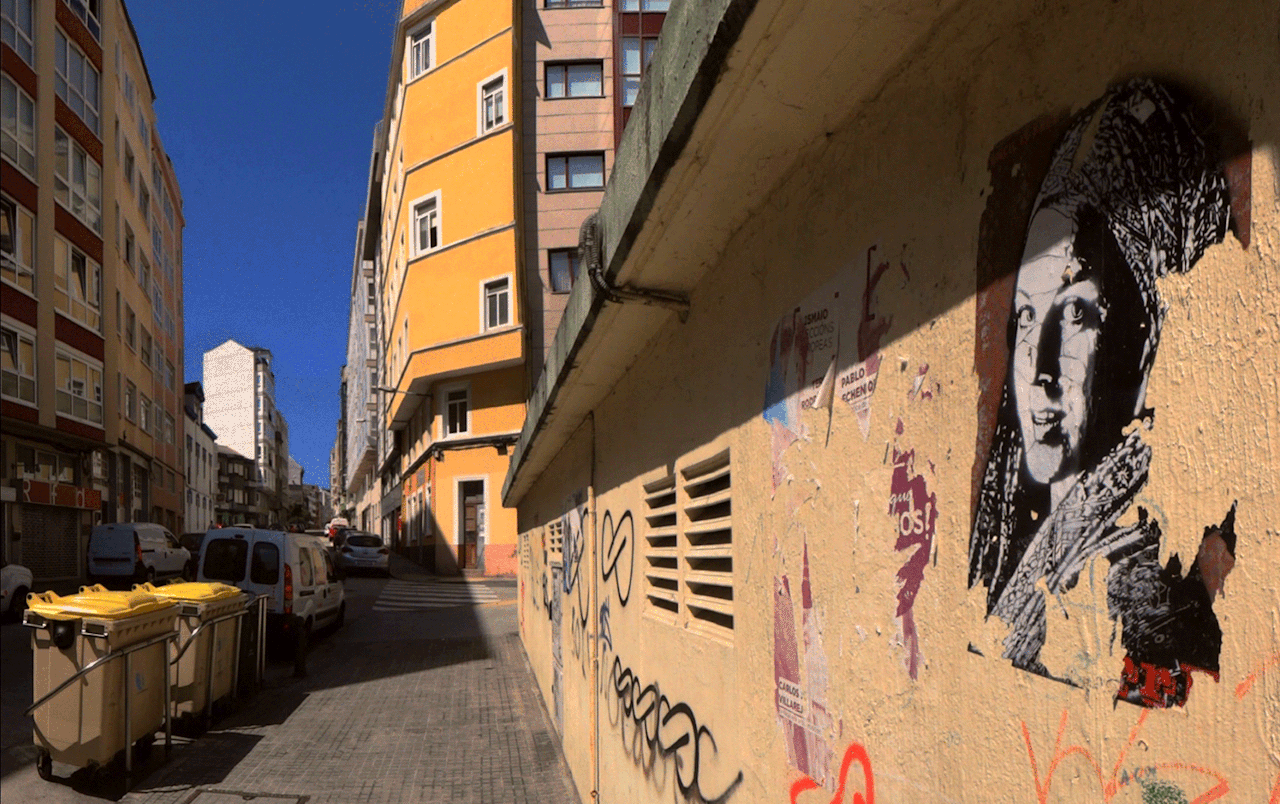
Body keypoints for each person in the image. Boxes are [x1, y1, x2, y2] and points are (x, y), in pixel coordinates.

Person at [967, 78, 1239, 706]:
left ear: (1139, 335)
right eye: (1028, 316)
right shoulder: (1012, 531)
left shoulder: (1142, 572)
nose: (1038, 370)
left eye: (1075, 313)